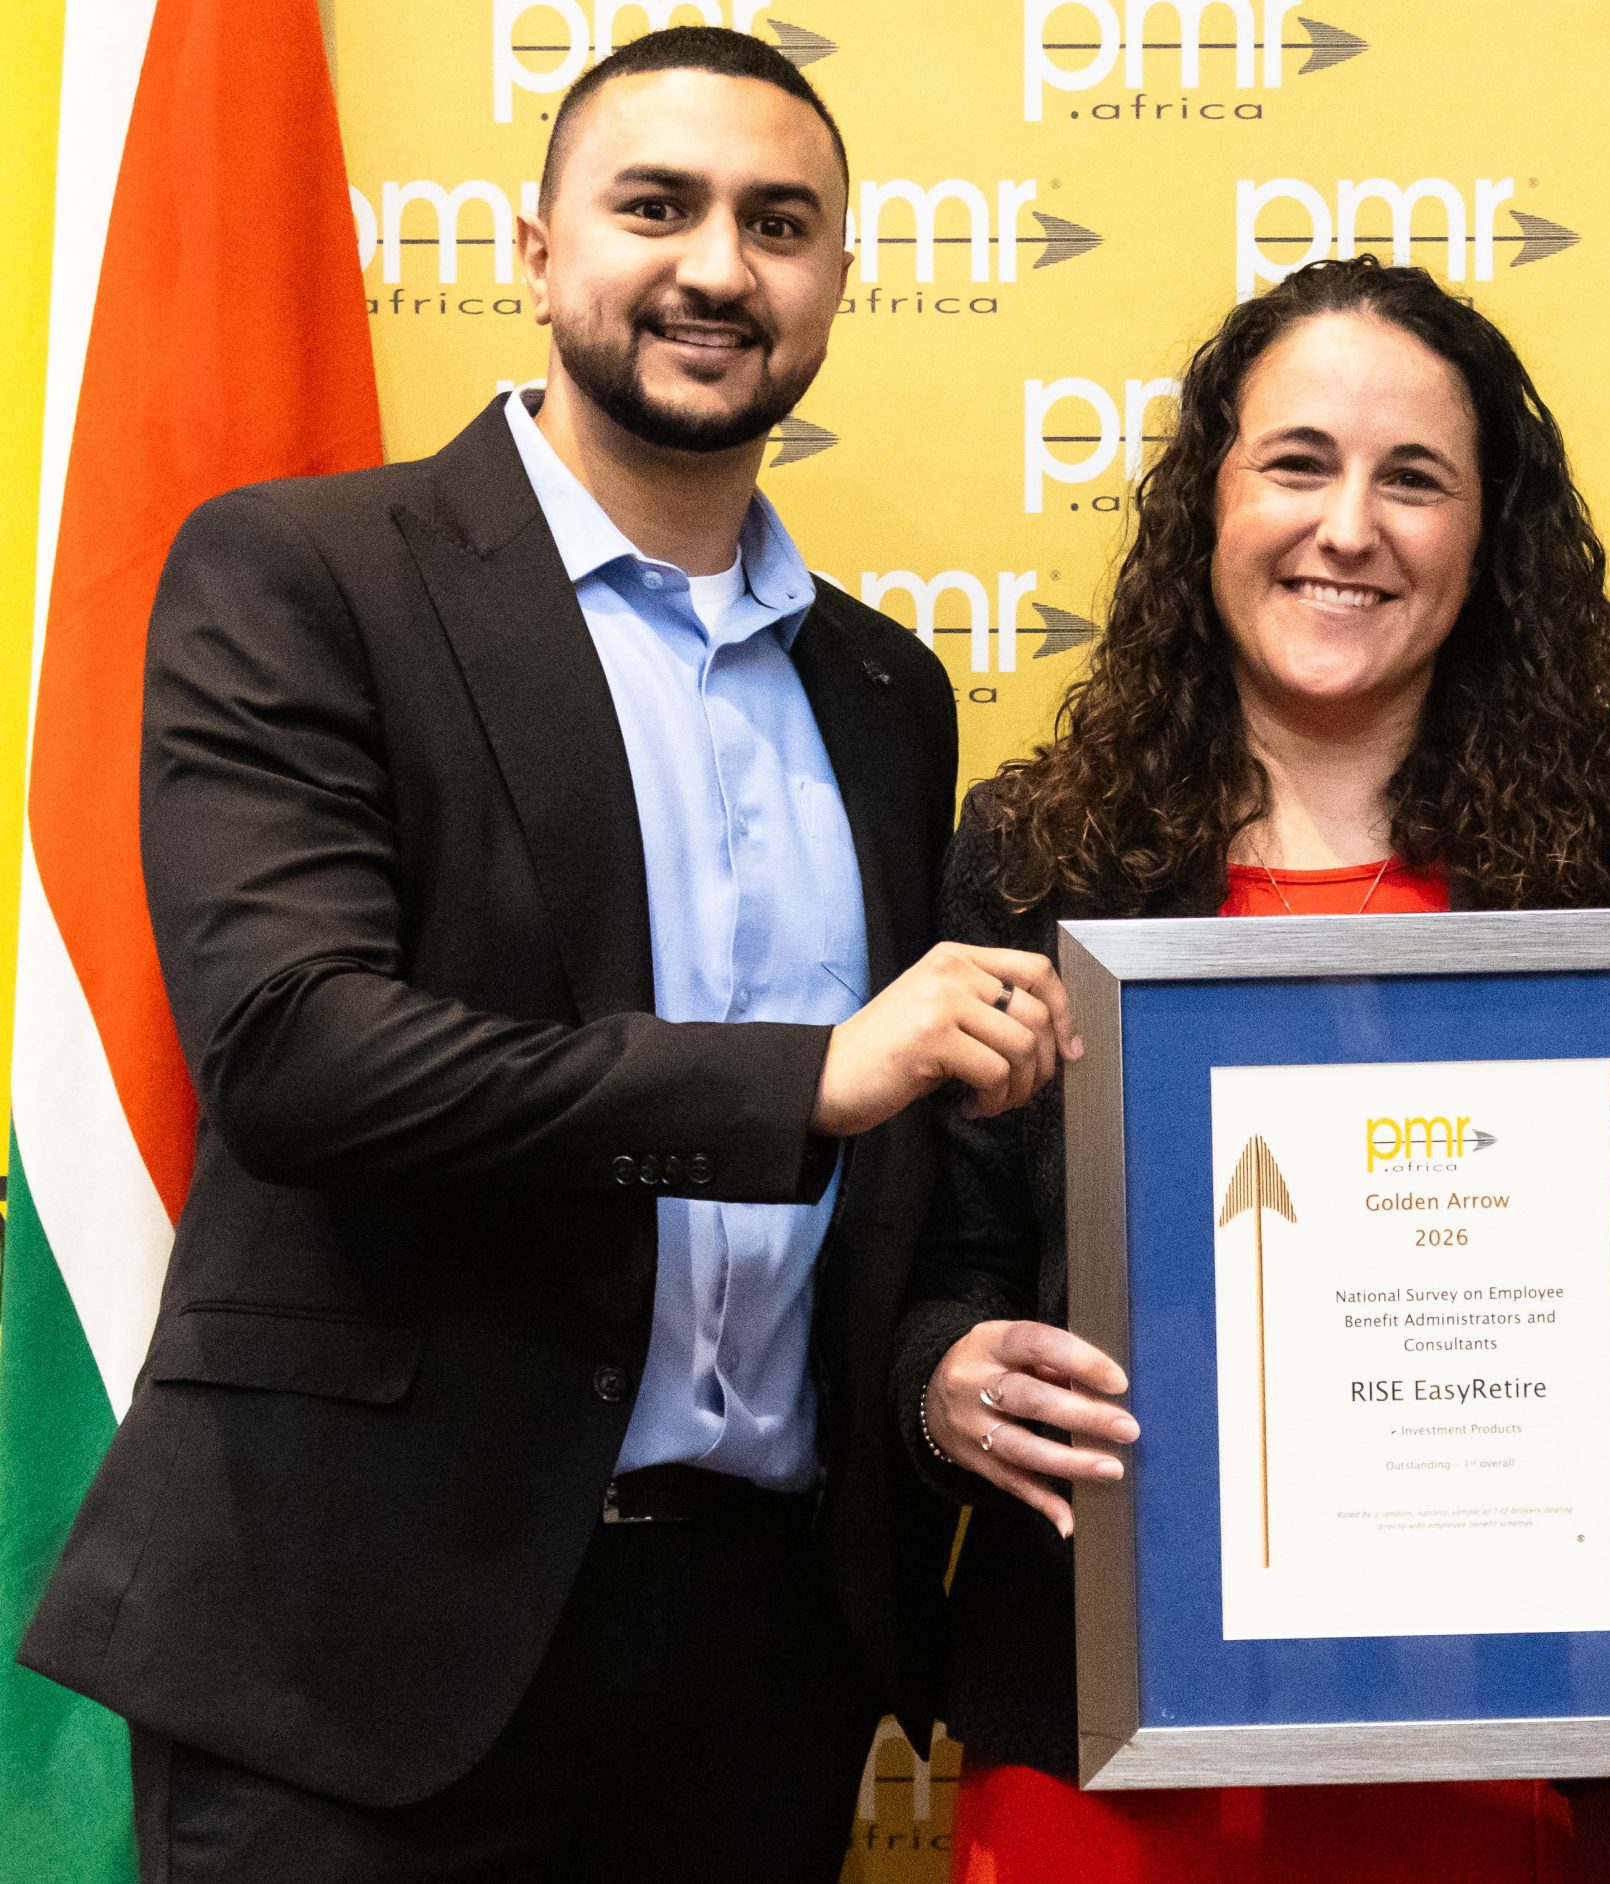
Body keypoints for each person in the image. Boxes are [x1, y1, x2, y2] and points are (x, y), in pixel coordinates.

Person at [20, 28, 1077, 1880]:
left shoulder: (886, 690)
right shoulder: (306, 573)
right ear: (532, 251)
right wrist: (804, 1082)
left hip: (761, 1659)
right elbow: (294, 1052)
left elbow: (894, 1195)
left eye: (779, 224)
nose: (717, 268)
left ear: (839, 278)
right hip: (360, 1652)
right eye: (655, 207)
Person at [888, 255, 1610, 1884]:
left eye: (1415, 480)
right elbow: (937, 1264)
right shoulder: (1035, 865)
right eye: (1299, 464)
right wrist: (946, 1384)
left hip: (1511, 1765)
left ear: (1488, 537)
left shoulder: (1605, 902)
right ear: (1212, 504)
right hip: (1113, 1776)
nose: (1349, 527)